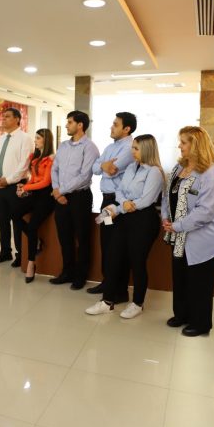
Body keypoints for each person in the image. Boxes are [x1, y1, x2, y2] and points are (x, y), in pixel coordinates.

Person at [85, 134, 164, 318]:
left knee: (137, 262)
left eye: (136, 148)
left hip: (144, 219)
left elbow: (146, 199)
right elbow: (119, 191)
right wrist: (123, 204)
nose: (132, 151)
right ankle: (107, 302)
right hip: (125, 215)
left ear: (147, 150)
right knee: (113, 257)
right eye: (132, 147)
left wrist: (125, 206)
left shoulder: (154, 172)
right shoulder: (131, 167)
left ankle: (137, 303)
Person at [162, 126, 214, 336]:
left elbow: (206, 211)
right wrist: (165, 217)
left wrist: (178, 225)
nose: (179, 146)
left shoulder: (210, 172)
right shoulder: (178, 168)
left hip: (202, 237)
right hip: (178, 235)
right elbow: (167, 195)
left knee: (200, 281)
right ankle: (181, 314)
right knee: (180, 276)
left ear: (196, 145)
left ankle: (200, 323)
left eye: (183, 142)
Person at [49, 110, 100, 290]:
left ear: (80, 125)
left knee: (82, 238)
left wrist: (60, 191)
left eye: (69, 122)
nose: (66, 125)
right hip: (60, 197)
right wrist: (57, 191)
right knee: (64, 237)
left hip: (80, 197)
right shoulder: (63, 146)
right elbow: (54, 169)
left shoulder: (90, 147)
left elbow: (85, 176)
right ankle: (67, 272)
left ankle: (81, 276)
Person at [88, 112, 136, 301]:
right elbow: (95, 168)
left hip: (118, 203)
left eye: (115, 124)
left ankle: (119, 290)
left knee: (117, 246)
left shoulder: (130, 147)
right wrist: (103, 166)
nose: (111, 127)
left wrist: (104, 167)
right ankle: (107, 282)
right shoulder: (110, 147)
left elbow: (112, 170)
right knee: (106, 242)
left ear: (127, 129)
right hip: (106, 201)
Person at [0, 108, 34, 265]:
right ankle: (5, 252)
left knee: (16, 221)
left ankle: (20, 254)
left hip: (15, 185)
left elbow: (24, 164)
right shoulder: (1, 139)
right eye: (3, 117)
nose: (3, 119)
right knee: (2, 220)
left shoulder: (25, 138)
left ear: (17, 119)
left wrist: (7, 180)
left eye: (7, 116)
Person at [11, 128, 55, 283]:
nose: (35, 141)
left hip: (46, 197)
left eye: (38, 138)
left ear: (46, 140)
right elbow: (34, 179)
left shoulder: (51, 158)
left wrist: (26, 187)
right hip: (34, 194)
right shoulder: (35, 157)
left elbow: (45, 182)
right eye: (35, 138)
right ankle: (35, 240)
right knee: (14, 213)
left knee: (32, 227)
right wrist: (24, 188)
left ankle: (31, 264)